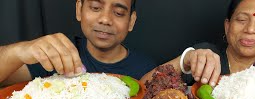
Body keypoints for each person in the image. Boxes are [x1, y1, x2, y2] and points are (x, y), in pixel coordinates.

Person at [0, 0, 156, 87]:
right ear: (79, 9)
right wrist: (19, 51)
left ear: (131, 21)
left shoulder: (147, 69)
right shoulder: (55, 54)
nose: (105, 19)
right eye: (95, 7)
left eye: (119, 13)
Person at [141, 0, 255, 87]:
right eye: (241, 20)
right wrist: (185, 59)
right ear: (228, 26)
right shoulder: (204, 55)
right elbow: (144, 86)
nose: (250, 29)